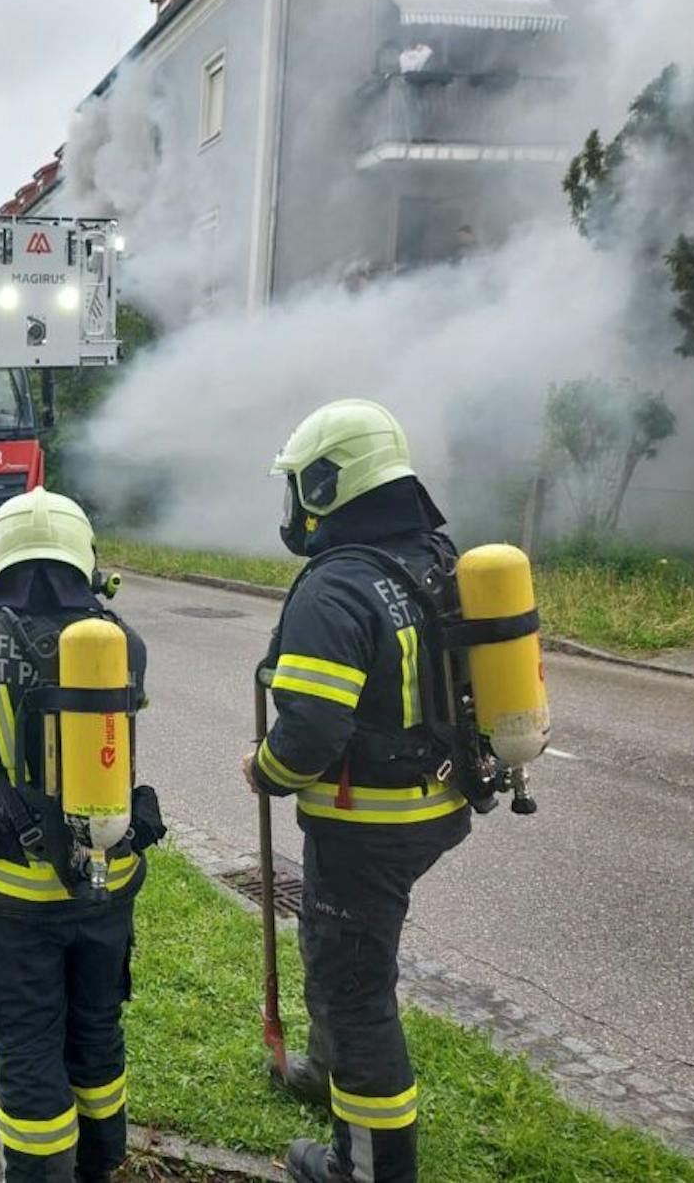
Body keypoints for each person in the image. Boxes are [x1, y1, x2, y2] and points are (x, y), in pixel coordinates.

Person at [246, 399, 471, 1183]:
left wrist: (263, 771)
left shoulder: (336, 587)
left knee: (355, 987)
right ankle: (324, 1070)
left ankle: (365, 1168)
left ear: (326, 485)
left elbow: (308, 735)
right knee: (344, 951)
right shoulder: (432, 558)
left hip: (367, 825)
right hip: (436, 805)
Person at [0, 487, 165, 1183]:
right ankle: (100, 1164)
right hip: (107, 882)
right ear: (81, 559)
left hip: (11, 895)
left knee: (28, 1041)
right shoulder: (125, 643)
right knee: (97, 1029)